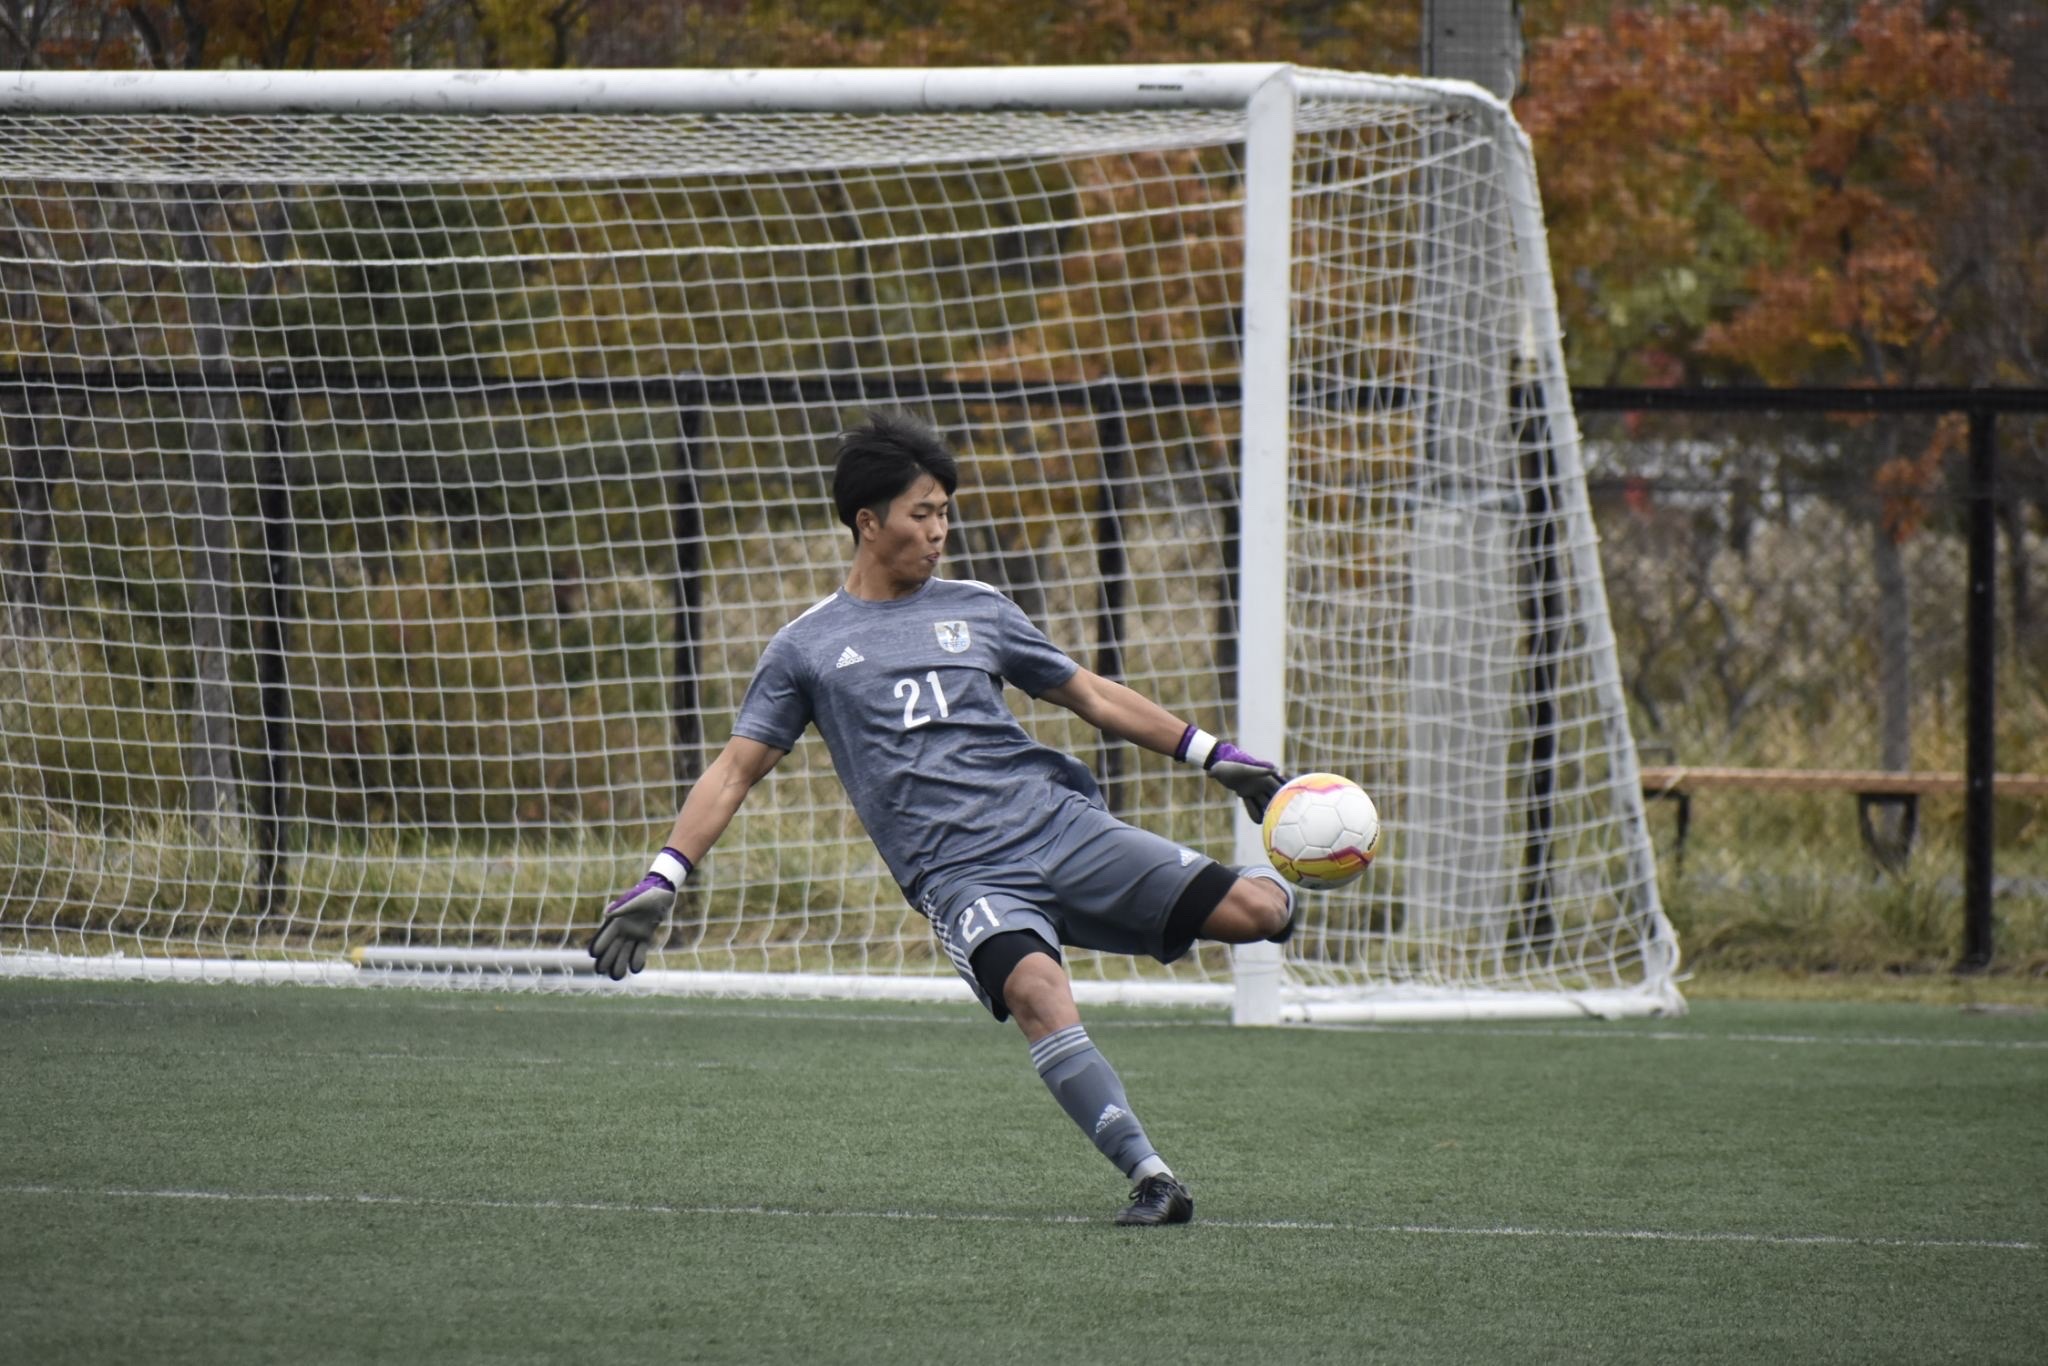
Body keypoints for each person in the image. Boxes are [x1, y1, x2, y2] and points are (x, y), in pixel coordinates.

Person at [589, 411, 1297, 1227]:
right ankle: (1153, 1178)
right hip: (964, 878)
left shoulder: (980, 609)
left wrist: (1212, 754)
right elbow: (734, 770)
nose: (938, 531)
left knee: (1259, 913)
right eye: (922, 513)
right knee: (1036, 989)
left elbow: (1092, 695)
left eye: (945, 513)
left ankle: (1289, 882)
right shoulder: (805, 648)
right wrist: (665, 876)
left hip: (1061, 827)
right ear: (869, 522)